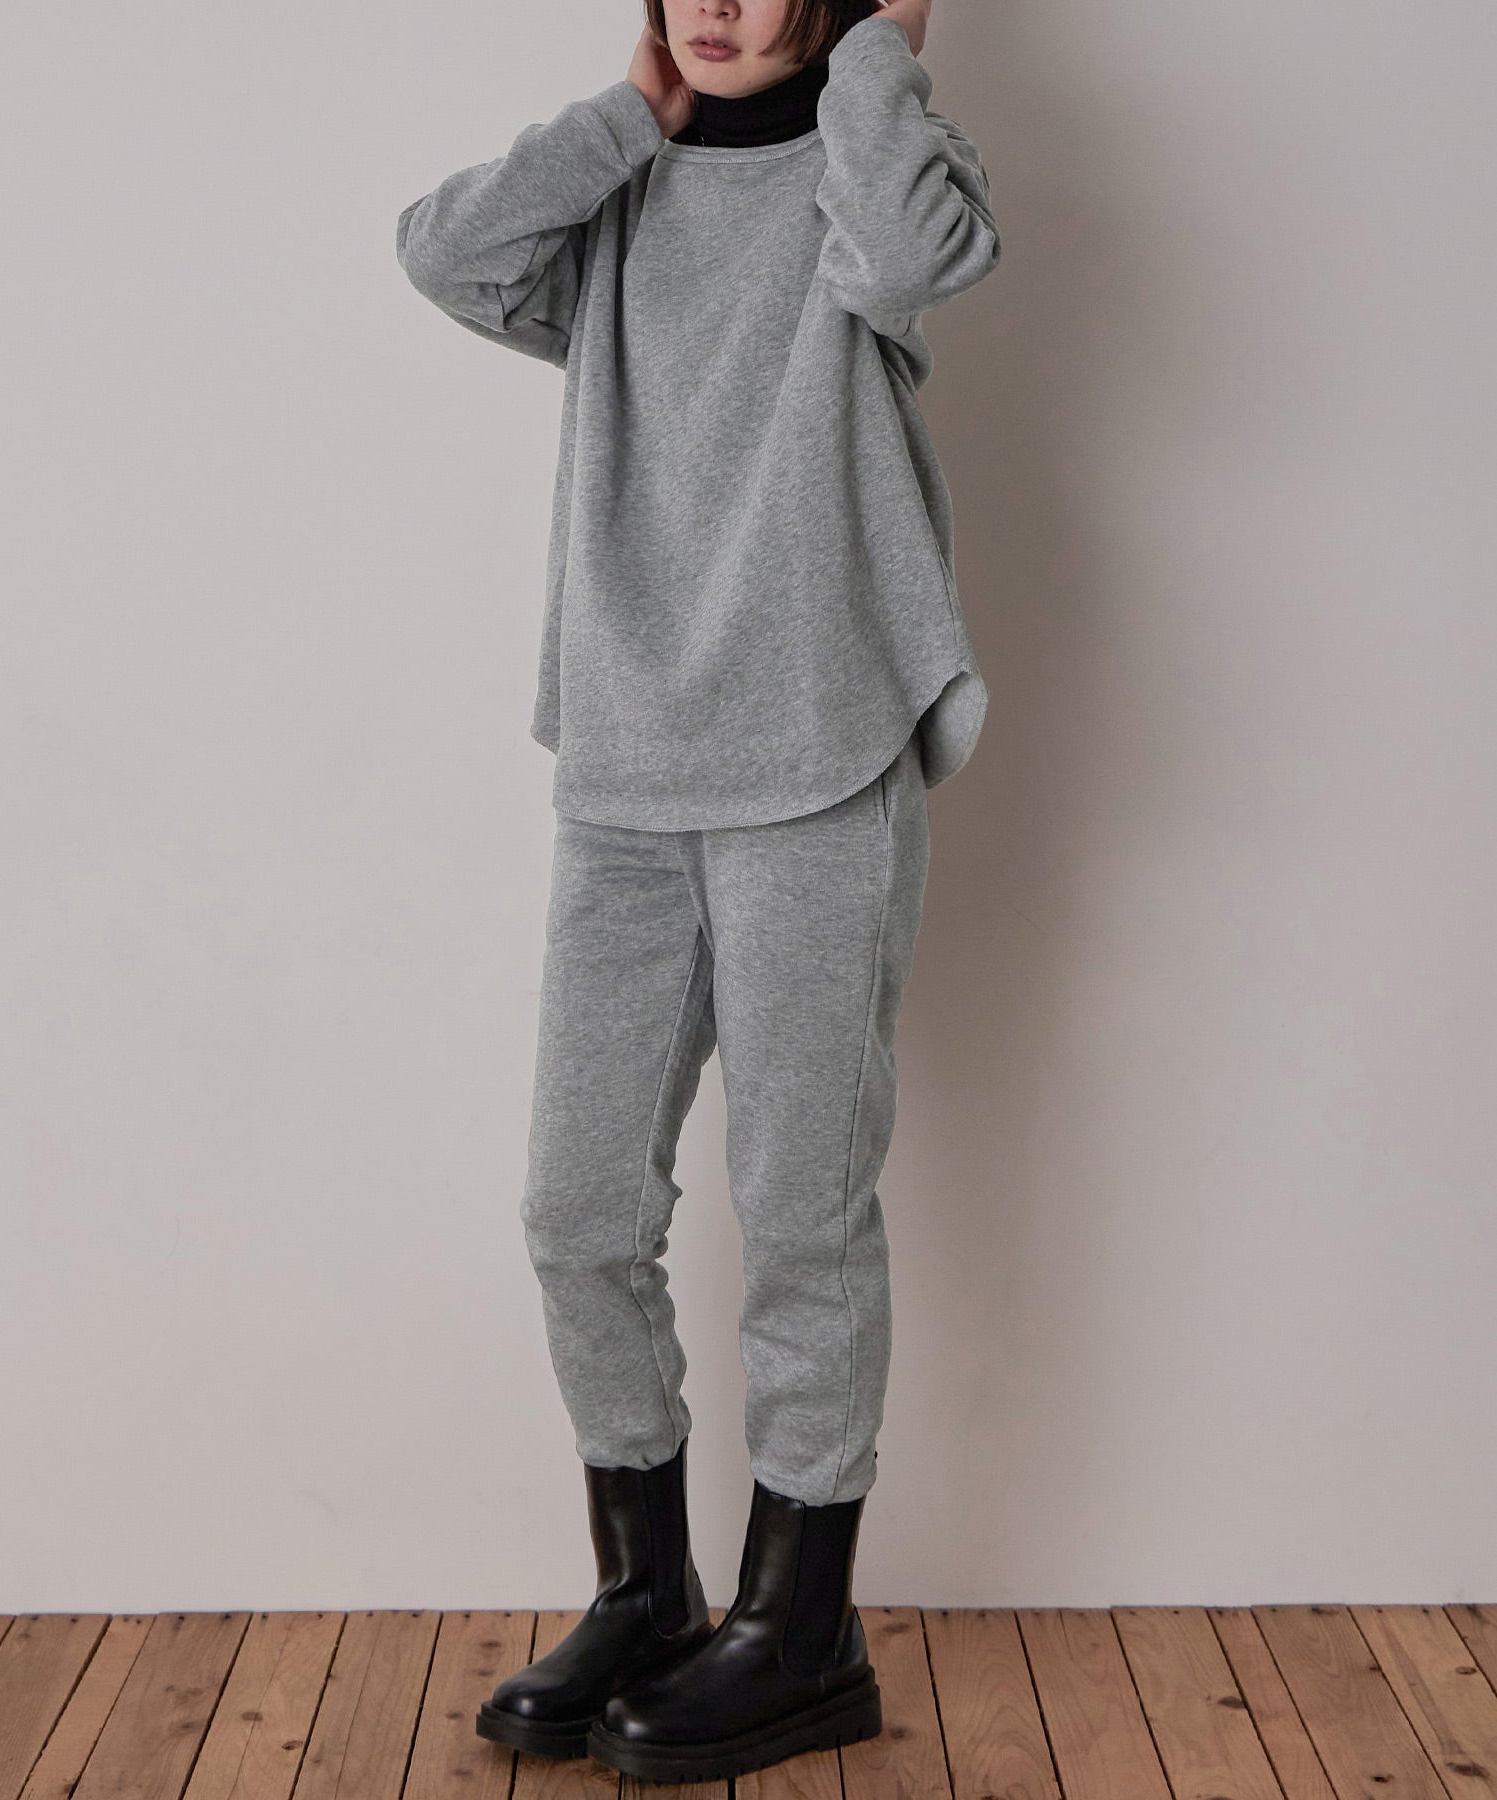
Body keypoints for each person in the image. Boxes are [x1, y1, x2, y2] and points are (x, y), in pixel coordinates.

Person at [395, 0, 1000, 1781]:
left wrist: (885, 46)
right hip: (628, 771)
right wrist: (624, 118)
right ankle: (647, 1591)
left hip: (817, 752)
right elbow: (444, 254)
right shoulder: (620, 195)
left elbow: (913, 260)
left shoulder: (871, 170)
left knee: (801, 1208)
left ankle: (801, 1630)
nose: (719, 2)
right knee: (578, 1209)